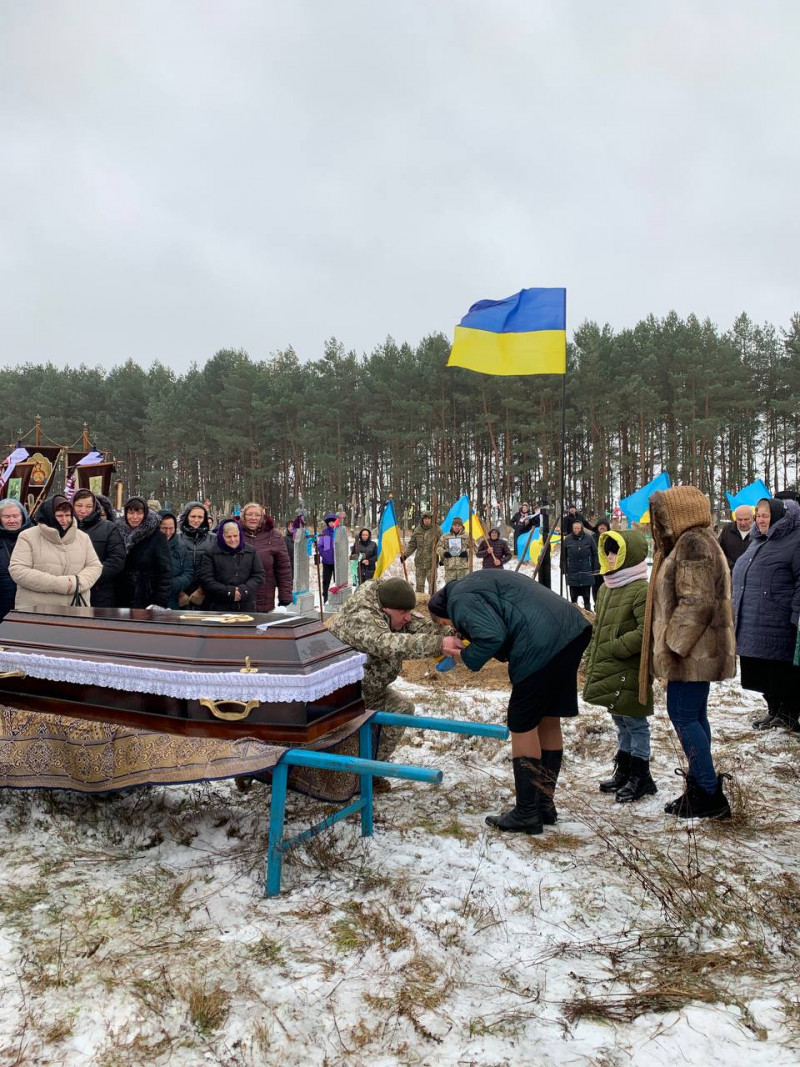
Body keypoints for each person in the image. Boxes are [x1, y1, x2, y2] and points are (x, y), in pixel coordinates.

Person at [428, 571, 592, 835]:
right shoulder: (477, 583)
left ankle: (527, 812)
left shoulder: (458, 599)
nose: (455, 628)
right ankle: (544, 804)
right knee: (548, 716)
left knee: (522, 722)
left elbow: (492, 636)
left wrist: (463, 657)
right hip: (571, 630)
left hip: (539, 641)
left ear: (443, 613)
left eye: (449, 624)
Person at [641, 486, 736, 819]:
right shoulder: (697, 540)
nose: (660, 523)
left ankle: (708, 794)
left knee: (683, 715)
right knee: (693, 716)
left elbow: (696, 603)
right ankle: (701, 786)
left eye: (663, 516)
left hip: (691, 654)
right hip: (699, 653)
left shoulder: (693, 543)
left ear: (678, 513)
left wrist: (672, 644)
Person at [328, 577, 463, 765]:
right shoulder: (360, 618)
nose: (408, 616)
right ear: (385, 609)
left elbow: (414, 623)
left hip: (370, 691)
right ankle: (350, 774)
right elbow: (386, 644)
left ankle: (372, 770)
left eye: (409, 611)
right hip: (345, 698)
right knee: (348, 740)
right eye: (403, 612)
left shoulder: (388, 605)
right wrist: (439, 645)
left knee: (402, 709)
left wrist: (456, 634)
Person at [583, 530, 656, 802]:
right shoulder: (606, 587)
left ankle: (641, 776)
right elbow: (600, 626)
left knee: (635, 722)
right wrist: (592, 654)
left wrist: (617, 646)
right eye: (608, 552)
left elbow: (646, 630)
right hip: (609, 665)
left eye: (616, 553)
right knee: (619, 718)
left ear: (630, 555)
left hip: (629, 666)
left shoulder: (641, 589)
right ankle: (624, 770)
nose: (610, 558)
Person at [732, 497, 800, 733]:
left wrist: (796, 612)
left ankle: (789, 714)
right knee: (761, 669)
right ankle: (774, 710)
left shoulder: (794, 539)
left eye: (766, 515)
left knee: (781, 671)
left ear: (779, 517)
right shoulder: (757, 539)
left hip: (779, 619)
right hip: (753, 617)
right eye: (758, 515)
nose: (760, 520)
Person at [9, 495, 103, 611]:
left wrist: (76, 583)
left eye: (68, 515)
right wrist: (61, 584)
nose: (64, 520)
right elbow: (18, 570)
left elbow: (94, 566)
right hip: (37, 609)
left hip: (74, 607)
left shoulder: (83, 538)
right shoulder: (28, 536)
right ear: (49, 516)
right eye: (59, 516)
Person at [72, 489, 126, 607]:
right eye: (79, 506)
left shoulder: (108, 528)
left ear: (94, 507)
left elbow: (116, 560)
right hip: (69, 590)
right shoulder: (65, 528)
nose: (83, 510)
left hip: (100, 592)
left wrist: (89, 577)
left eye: (88, 506)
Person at [116, 496, 173, 609]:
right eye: (131, 513)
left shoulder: (156, 537)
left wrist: (159, 601)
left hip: (148, 596)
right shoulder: (117, 533)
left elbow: (166, 572)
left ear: (145, 514)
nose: (135, 517)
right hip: (121, 596)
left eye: (139, 513)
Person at [197, 518, 265, 611]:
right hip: (219, 605)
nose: (233, 540)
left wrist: (244, 590)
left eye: (235, 536)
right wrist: (229, 592)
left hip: (246, 605)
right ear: (222, 536)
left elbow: (258, 575)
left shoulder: (250, 551)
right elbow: (207, 579)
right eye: (228, 537)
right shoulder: (211, 552)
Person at [239, 502, 292, 612]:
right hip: (239, 596)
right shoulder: (235, 533)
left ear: (262, 517)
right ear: (243, 516)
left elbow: (283, 568)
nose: (253, 518)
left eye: (257, 515)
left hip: (265, 596)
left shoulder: (274, 535)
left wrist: (285, 595)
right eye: (249, 514)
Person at [177, 500, 214, 608]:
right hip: (181, 593)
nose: (196, 520)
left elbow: (218, 568)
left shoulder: (213, 539)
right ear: (186, 517)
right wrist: (180, 592)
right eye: (193, 516)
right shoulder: (176, 538)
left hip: (207, 593)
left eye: (200, 517)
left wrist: (202, 590)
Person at [0, 500, 33, 620]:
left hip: (29, 601)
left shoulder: (35, 535)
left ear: (23, 516)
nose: (12, 520)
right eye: (6, 516)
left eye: (15, 516)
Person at [158, 510, 195, 610]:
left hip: (174, 598)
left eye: (171, 528)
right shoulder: (149, 545)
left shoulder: (181, 546)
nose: (168, 532)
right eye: (164, 528)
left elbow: (189, 572)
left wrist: (173, 584)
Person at [562, 519, 598, 609]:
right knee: (573, 598)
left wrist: (595, 568)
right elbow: (563, 556)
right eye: (575, 528)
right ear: (572, 528)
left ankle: (588, 613)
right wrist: (564, 569)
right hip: (573, 572)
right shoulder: (568, 539)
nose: (576, 530)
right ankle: (574, 615)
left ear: (581, 528)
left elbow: (595, 554)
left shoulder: (589, 538)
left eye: (578, 528)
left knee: (587, 597)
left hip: (586, 571)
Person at [402, 512, 442, 594]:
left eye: (428, 519)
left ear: (431, 519)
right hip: (420, 563)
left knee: (432, 585)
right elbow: (412, 545)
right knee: (419, 586)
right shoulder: (417, 530)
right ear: (422, 520)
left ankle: (433, 603)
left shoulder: (437, 530)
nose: (427, 520)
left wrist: (442, 558)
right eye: (425, 519)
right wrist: (405, 555)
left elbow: (442, 544)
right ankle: (421, 604)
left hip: (432, 563)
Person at [719, 505, 754, 571]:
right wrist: (731, 566)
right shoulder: (727, 530)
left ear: (752, 518)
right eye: (739, 520)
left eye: (746, 519)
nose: (743, 523)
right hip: (730, 573)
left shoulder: (759, 533)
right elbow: (720, 551)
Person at [437, 518, 471, 583]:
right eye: (455, 525)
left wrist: (467, 552)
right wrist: (444, 553)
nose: (457, 527)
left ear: (462, 526)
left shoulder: (467, 536)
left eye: (459, 526)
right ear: (452, 526)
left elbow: (473, 548)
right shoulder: (445, 536)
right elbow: (438, 547)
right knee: (450, 588)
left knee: (462, 587)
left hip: (463, 568)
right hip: (450, 568)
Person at [317, 513, 338, 602]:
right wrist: (324, 555)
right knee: (326, 580)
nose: (331, 523)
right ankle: (325, 596)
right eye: (329, 522)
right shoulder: (325, 533)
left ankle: (336, 596)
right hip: (327, 561)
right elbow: (320, 546)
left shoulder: (338, 532)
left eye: (333, 521)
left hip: (337, 562)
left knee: (337, 581)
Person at [591, 516, 611, 606]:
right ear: (597, 527)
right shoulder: (592, 538)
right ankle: (596, 606)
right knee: (595, 588)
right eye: (600, 525)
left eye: (604, 526)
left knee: (607, 589)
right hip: (595, 568)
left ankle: (606, 606)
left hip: (607, 569)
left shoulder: (610, 538)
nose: (602, 527)